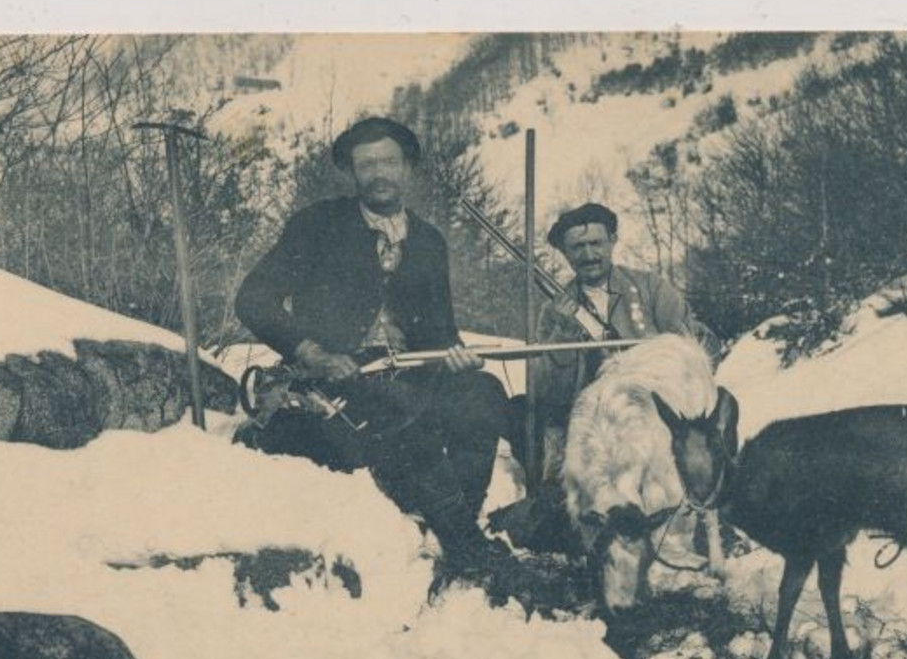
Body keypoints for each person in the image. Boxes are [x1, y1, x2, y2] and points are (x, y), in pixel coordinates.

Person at [233, 116, 513, 574]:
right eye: (367, 164)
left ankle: (452, 522)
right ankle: (465, 547)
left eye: (388, 161)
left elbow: (441, 333)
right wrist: (313, 353)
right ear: (353, 172)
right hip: (337, 381)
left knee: (482, 395)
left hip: (413, 371)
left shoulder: (428, 241)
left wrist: (457, 357)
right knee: (404, 411)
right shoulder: (317, 224)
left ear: (406, 168)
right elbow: (253, 299)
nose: (379, 173)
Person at [530, 202, 724, 487]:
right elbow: (552, 392)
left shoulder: (651, 287)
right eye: (577, 247)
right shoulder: (553, 312)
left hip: (662, 410)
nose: (588, 255)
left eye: (596, 243)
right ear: (565, 253)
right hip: (594, 419)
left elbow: (698, 348)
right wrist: (564, 330)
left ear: (613, 240)